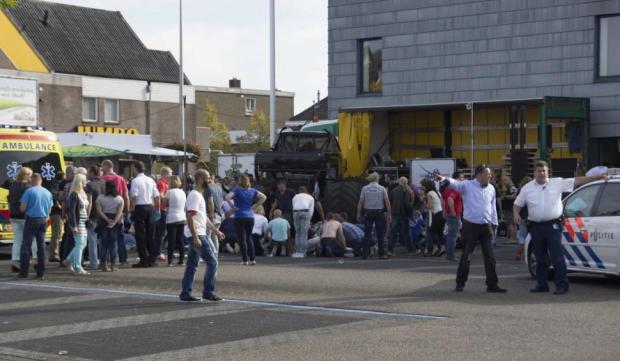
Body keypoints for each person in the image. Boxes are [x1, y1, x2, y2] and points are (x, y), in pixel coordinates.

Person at [513, 161, 606, 295]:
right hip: (536, 227)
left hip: (553, 226)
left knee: (557, 257)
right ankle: (542, 284)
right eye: (539, 171)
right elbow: (517, 204)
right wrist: (516, 214)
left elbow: (577, 180)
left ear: (548, 172)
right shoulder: (527, 188)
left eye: (544, 171)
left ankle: (562, 285)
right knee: (540, 257)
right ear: (534, 173)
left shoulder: (556, 183)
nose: (542, 173)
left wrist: (596, 177)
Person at [436, 165, 507, 293]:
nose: (490, 176)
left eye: (490, 174)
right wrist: (442, 179)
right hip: (471, 226)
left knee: (490, 257)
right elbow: (454, 183)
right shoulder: (467, 185)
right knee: (466, 256)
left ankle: (492, 284)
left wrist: (495, 224)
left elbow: (493, 207)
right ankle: (460, 283)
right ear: (478, 175)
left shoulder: (491, 188)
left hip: (486, 226)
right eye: (487, 174)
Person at [179, 169, 225, 302]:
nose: (209, 180)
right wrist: (195, 237)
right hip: (197, 234)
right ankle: (208, 292)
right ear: (199, 179)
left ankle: (185, 293)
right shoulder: (195, 195)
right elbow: (189, 216)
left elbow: (203, 218)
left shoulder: (199, 195)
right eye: (207, 178)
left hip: (197, 233)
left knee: (192, 265)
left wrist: (216, 231)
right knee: (212, 262)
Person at [225, 174, 266, 265]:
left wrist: (233, 207)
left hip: (239, 216)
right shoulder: (252, 190)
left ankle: (245, 260)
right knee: (249, 237)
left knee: (242, 239)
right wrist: (255, 205)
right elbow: (264, 197)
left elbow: (227, 197)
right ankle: (252, 259)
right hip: (250, 216)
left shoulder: (236, 190)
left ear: (240, 181)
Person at [18, 173, 53, 279]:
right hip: (43, 220)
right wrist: (46, 216)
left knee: (26, 246)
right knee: (41, 247)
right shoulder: (48, 192)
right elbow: (49, 209)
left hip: (31, 220)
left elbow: (22, 208)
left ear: (32, 180)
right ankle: (40, 273)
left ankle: (24, 273)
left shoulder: (29, 191)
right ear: (41, 180)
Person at [129, 161, 160, 268]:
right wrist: (157, 209)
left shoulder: (135, 181)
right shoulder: (150, 180)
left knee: (140, 235)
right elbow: (157, 196)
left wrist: (131, 210)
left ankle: (144, 260)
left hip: (140, 207)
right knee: (151, 234)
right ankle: (152, 259)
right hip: (150, 207)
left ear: (136, 168)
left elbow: (134, 197)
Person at [101, 160, 130, 265]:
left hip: (105, 211)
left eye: (102, 167)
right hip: (119, 209)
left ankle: (105, 260)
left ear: (107, 166)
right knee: (120, 236)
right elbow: (126, 196)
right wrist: (127, 210)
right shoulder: (120, 179)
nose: (101, 169)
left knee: (105, 237)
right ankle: (123, 259)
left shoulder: (102, 179)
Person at [357, 172, 391, 259]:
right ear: (377, 179)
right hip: (379, 212)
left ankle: (365, 254)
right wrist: (389, 214)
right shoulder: (382, 188)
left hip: (368, 212)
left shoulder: (364, 188)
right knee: (380, 234)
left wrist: (358, 214)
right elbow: (387, 202)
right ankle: (382, 254)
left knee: (367, 234)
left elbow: (361, 202)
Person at [63, 173, 91, 275]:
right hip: (78, 222)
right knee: (80, 244)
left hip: (83, 221)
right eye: (84, 182)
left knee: (83, 244)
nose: (85, 184)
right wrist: (74, 225)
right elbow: (72, 211)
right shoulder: (74, 194)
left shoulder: (81, 193)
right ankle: (77, 266)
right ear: (80, 182)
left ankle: (68, 260)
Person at [8, 167, 35, 273]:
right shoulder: (28, 187)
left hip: (13, 216)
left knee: (17, 239)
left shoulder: (12, 185)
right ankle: (28, 260)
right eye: (30, 175)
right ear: (27, 175)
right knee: (28, 240)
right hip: (24, 216)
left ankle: (15, 261)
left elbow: (10, 200)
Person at [96, 181, 124, 272]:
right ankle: (113, 265)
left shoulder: (100, 198)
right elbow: (119, 212)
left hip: (104, 220)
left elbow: (99, 211)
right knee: (113, 244)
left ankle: (103, 264)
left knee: (104, 244)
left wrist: (107, 220)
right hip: (115, 221)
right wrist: (114, 222)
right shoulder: (119, 199)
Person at [387, 177, 413, 256]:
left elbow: (389, 201)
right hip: (403, 215)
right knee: (406, 233)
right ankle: (411, 250)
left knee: (393, 233)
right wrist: (410, 212)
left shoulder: (393, 191)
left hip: (394, 214)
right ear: (406, 183)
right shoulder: (406, 191)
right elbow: (407, 204)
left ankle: (390, 250)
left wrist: (390, 213)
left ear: (399, 182)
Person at [85, 165, 105, 270]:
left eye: (89, 172)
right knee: (102, 240)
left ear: (92, 173)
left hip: (93, 215)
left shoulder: (89, 185)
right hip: (104, 215)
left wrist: (87, 216)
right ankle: (103, 261)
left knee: (92, 240)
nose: (87, 174)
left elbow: (89, 202)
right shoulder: (105, 184)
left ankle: (93, 263)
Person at [421, 178, 445, 257]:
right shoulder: (438, 192)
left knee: (433, 232)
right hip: (441, 213)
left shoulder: (429, 194)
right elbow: (442, 203)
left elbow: (430, 206)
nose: (422, 188)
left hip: (435, 214)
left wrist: (424, 201)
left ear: (426, 186)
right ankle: (441, 248)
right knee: (440, 232)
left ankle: (438, 248)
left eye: (423, 186)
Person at [442, 171, 464, 262]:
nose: (463, 179)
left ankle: (449, 254)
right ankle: (450, 256)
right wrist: (453, 211)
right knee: (453, 235)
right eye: (462, 177)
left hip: (449, 214)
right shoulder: (456, 188)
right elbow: (450, 199)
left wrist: (444, 210)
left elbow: (443, 199)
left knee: (450, 235)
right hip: (453, 214)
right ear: (457, 178)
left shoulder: (447, 188)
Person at [165, 175, 186, 266]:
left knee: (171, 240)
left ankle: (170, 260)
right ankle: (181, 259)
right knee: (180, 239)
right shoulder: (183, 192)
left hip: (172, 217)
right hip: (182, 217)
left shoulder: (169, 192)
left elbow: (165, 204)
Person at [291, 186, 315, 258]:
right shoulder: (310, 197)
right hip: (305, 212)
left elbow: (293, 205)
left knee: (297, 232)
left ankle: (297, 251)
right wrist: (309, 218)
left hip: (296, 212)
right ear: (306, 191)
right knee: (304, 232)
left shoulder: (295, 196)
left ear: (299, 191)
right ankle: (303, 252)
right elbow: (311, 209)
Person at [155, 167, 172, 262]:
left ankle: (159, 251)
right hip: (162, 210)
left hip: (163, 209)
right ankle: (158, 252)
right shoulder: (161, 183)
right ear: (165, 174)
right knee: (161, 233)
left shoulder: (164, 183)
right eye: (170, 173)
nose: (170, 175)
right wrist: (169, 201)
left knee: (162, 233)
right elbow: (160, 195)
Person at [48, 170, 64, 262]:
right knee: (57, 234)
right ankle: (54, 254)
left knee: (57, 233)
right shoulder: (57, 186)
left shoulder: (53, 185)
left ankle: (54, 253)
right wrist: (57, 202)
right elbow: (54, 196)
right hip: (56, 212)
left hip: (55, 213)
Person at [515, 176, 532, 261]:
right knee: (532, 236)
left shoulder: (520, 191)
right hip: (531, 216)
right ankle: (530, 254)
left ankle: (518, 254)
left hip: (522, 216)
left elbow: (517, 204)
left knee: (522, 236)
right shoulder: (532, 191)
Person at [207, 174, 225, 254]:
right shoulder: (218, 187)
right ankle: (215, 254)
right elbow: (221, 201)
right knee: (214, 235)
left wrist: (210, 215)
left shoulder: (207, 188)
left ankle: (213, 253)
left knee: (207, 236)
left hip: (212, 214)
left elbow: (210, 203)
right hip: (219, 214)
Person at [500, 175, 518, 244]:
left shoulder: (512, 187)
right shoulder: (509, 188)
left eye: (505, 180)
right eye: (503, 180)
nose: (503, 182)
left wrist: (505, 196)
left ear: (509, 180)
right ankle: (513, 238)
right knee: (512, 224)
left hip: (510, 208)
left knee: (511, 224)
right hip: (510, 208)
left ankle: (512, 239)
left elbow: (514, 196)